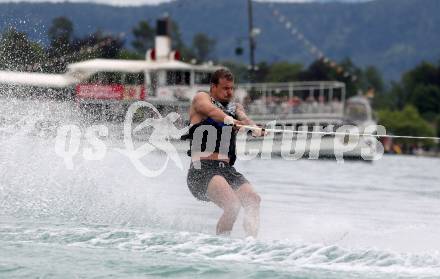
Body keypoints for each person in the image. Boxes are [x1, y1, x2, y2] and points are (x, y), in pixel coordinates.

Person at [183, 69, 263, 238]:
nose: (230, 92)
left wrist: (253, 128)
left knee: (253, 199)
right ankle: (221, 246)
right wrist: (232, 121)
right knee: (232, 205)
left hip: (226, 170)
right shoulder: (201, 98)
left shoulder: (234, 107)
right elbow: (212, 112)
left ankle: (251, 243)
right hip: (202, 170)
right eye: (225, 88)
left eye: (232, 88)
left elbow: (244, 119)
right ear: (213, 87)